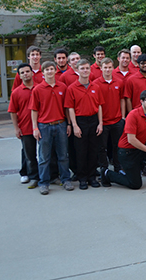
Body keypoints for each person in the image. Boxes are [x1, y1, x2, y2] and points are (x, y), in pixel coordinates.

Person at [101, 90, 146, 189]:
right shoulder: (133, 115)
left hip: (140, 149)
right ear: (141, 101)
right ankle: (107, 174)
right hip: (127, 151)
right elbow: (131, 139)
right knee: (135, 184)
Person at [29, 61, 74, 195]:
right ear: (42, 73)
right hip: (44, 126)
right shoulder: (37, 89)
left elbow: (67, 108)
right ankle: (44, 182)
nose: (49, 71)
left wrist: (69, 124)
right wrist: (35, 128)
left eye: (51, 69)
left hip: (60, 124)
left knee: (63, 155)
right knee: (44, 157)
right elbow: (34, 110)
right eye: (46, 70)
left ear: (55, 71)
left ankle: (66, 180)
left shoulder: (63, 87)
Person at [65, 59, 104, 189]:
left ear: (90, 69)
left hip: (93, 120)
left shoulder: (96, 87)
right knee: (81, 151)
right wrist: (74, 125)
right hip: (80, 120)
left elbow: (99, 106)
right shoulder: (72, 88)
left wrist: (101, 123)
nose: (85, 71)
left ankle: (92, 177)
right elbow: (70, 108)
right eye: (82, 68)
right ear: (77, 70)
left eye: (87, 68)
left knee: (93, 150)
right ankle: (82, 178)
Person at [8, 63, 39, 188]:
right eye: (22, 72)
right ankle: (33, 176)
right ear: (19, 76)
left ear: (32, 73)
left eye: (27, 71)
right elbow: (13, 111)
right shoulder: (16, 93)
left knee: (46, 154)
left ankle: (49, 174)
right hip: (25, 127)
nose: (25, 74)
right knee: (29, 154)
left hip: (42, 126)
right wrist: (16, 128)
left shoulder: (40, 88)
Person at [93, 57, 125, 173]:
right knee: (102, 148)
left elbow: (122, 99)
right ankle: (104, 169)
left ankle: (118, 168)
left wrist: (122, 117)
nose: (107, 70)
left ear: (113, 68)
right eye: (105, 67)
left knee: (118, 146)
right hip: (103, 121)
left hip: (117, 120)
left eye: (109, 67)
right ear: (100, 68)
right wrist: (99, 121)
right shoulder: (95, 84)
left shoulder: (119, 82)